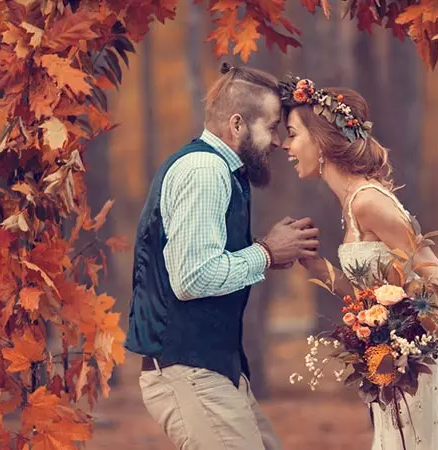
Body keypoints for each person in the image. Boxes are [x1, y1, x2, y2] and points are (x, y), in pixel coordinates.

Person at [281, 78, 438, 449]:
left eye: (292, 134)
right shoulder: (352, 206)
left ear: (321, 139)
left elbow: (433, 271)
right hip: (410, 350)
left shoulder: (367, 201)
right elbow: (368, 296)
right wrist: (314, 265)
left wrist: (402, 336)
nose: (285, 145)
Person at [125, 64, 320, 450]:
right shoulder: (204, 170)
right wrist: (265, 253)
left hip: (213, 371)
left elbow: (202, 263)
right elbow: (192, 279)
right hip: (189, 373)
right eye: (271, 127)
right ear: (237, 125)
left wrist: (265, 252)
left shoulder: (221, 171)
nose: (279, 142)